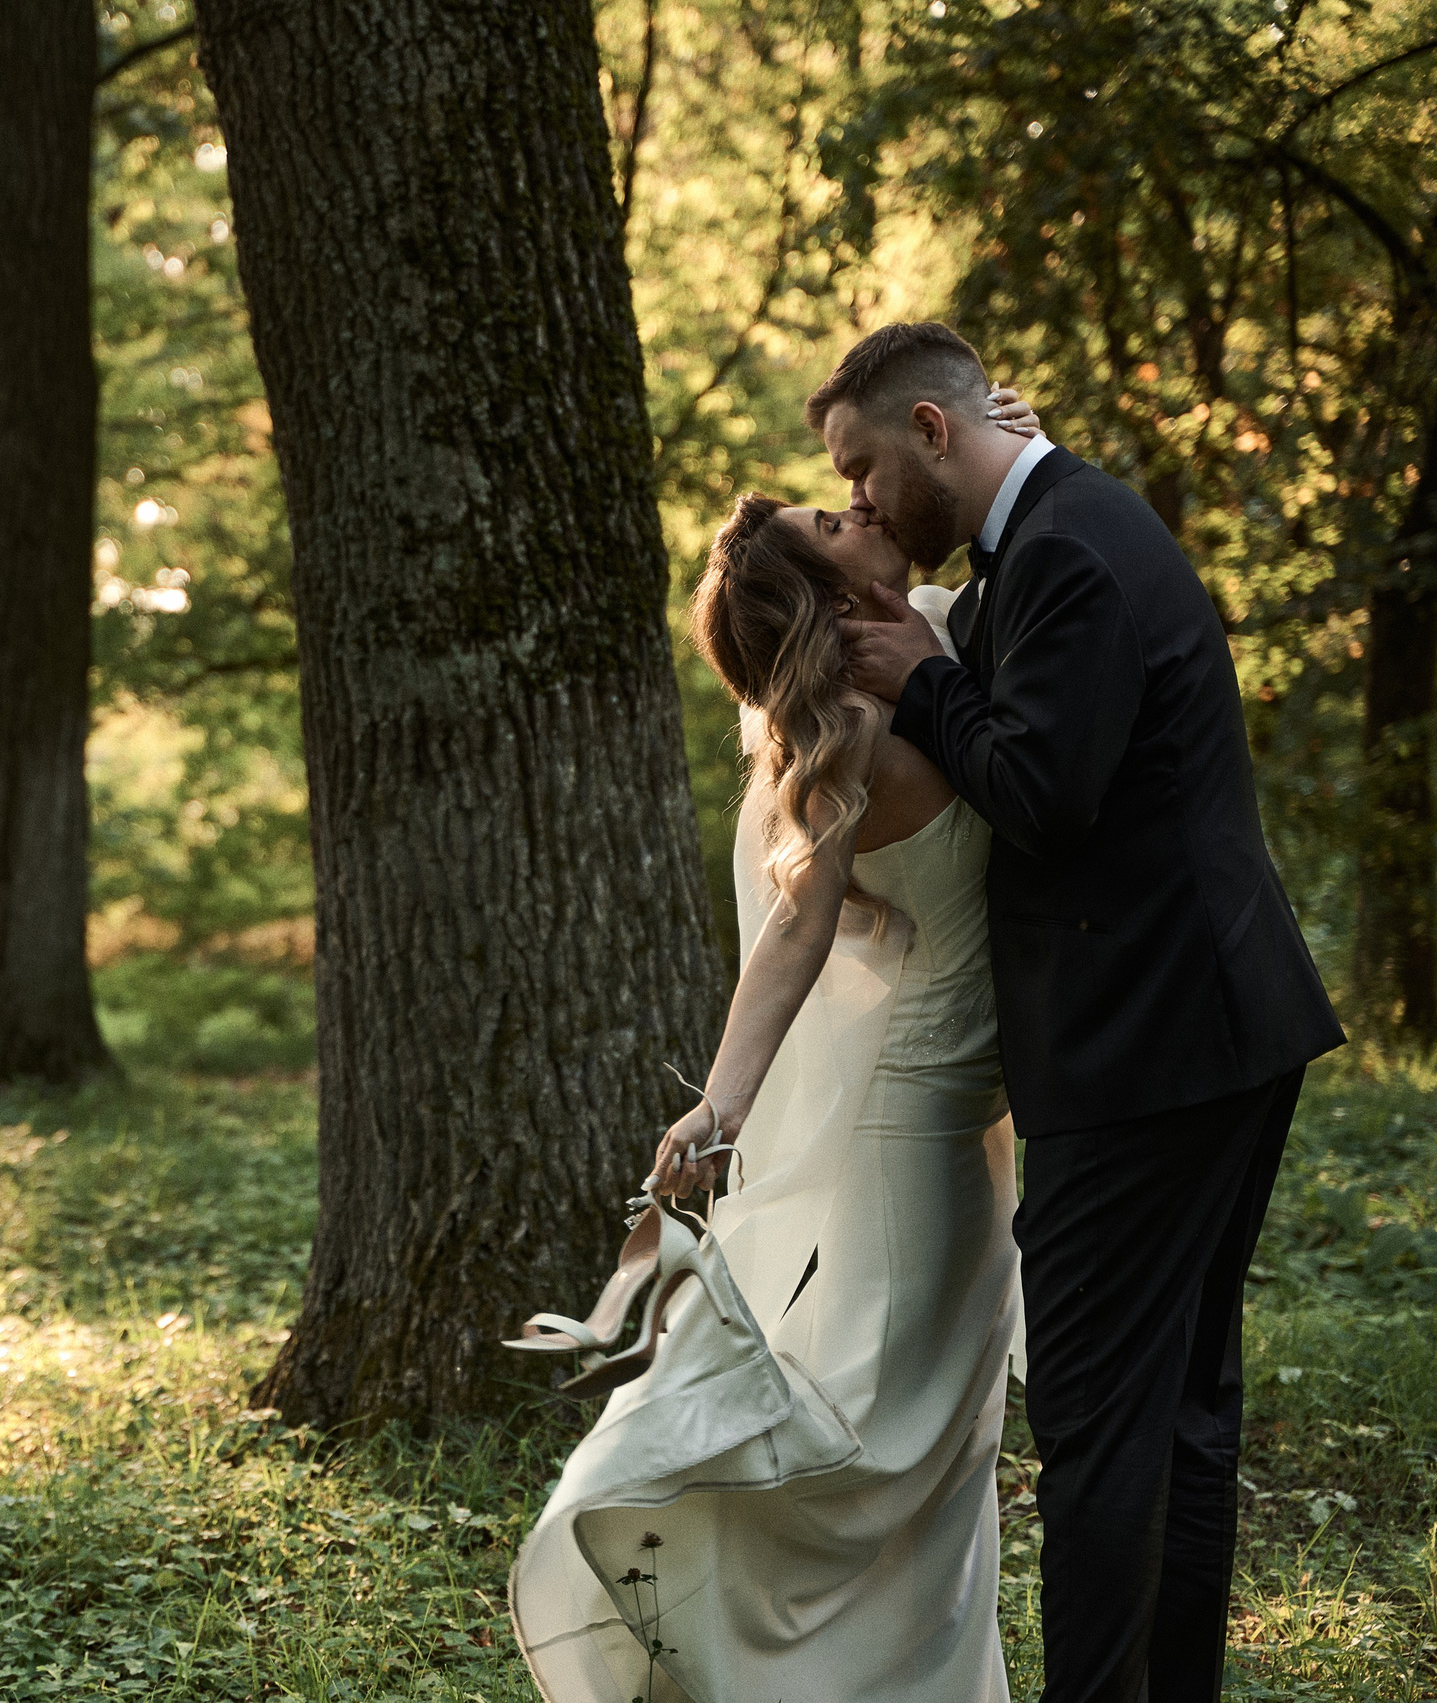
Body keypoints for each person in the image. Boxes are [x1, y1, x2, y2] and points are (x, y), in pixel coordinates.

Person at [830, 322, 1345, 1703]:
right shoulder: (1055, 527)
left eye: (866, 469)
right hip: (1210, 1024)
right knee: (1176, 1413)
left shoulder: (1062, 547)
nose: (863, 503)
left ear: (934, 433)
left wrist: (918, 680)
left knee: (1104, 1423)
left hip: (1148, 1046)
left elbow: (1047, 793)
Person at [510, 386, 1048, 1703]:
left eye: (852, 489)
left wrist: (1012, 446)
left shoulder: (925, 642)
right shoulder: (861, 726)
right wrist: (724, 1103)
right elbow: (797, 939)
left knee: (943, 1439)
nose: (866, 502)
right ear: (823, 586)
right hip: (915, 1122)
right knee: (889, 1445)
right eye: (836, 513)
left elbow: (1010, 556)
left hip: (964, 1113)